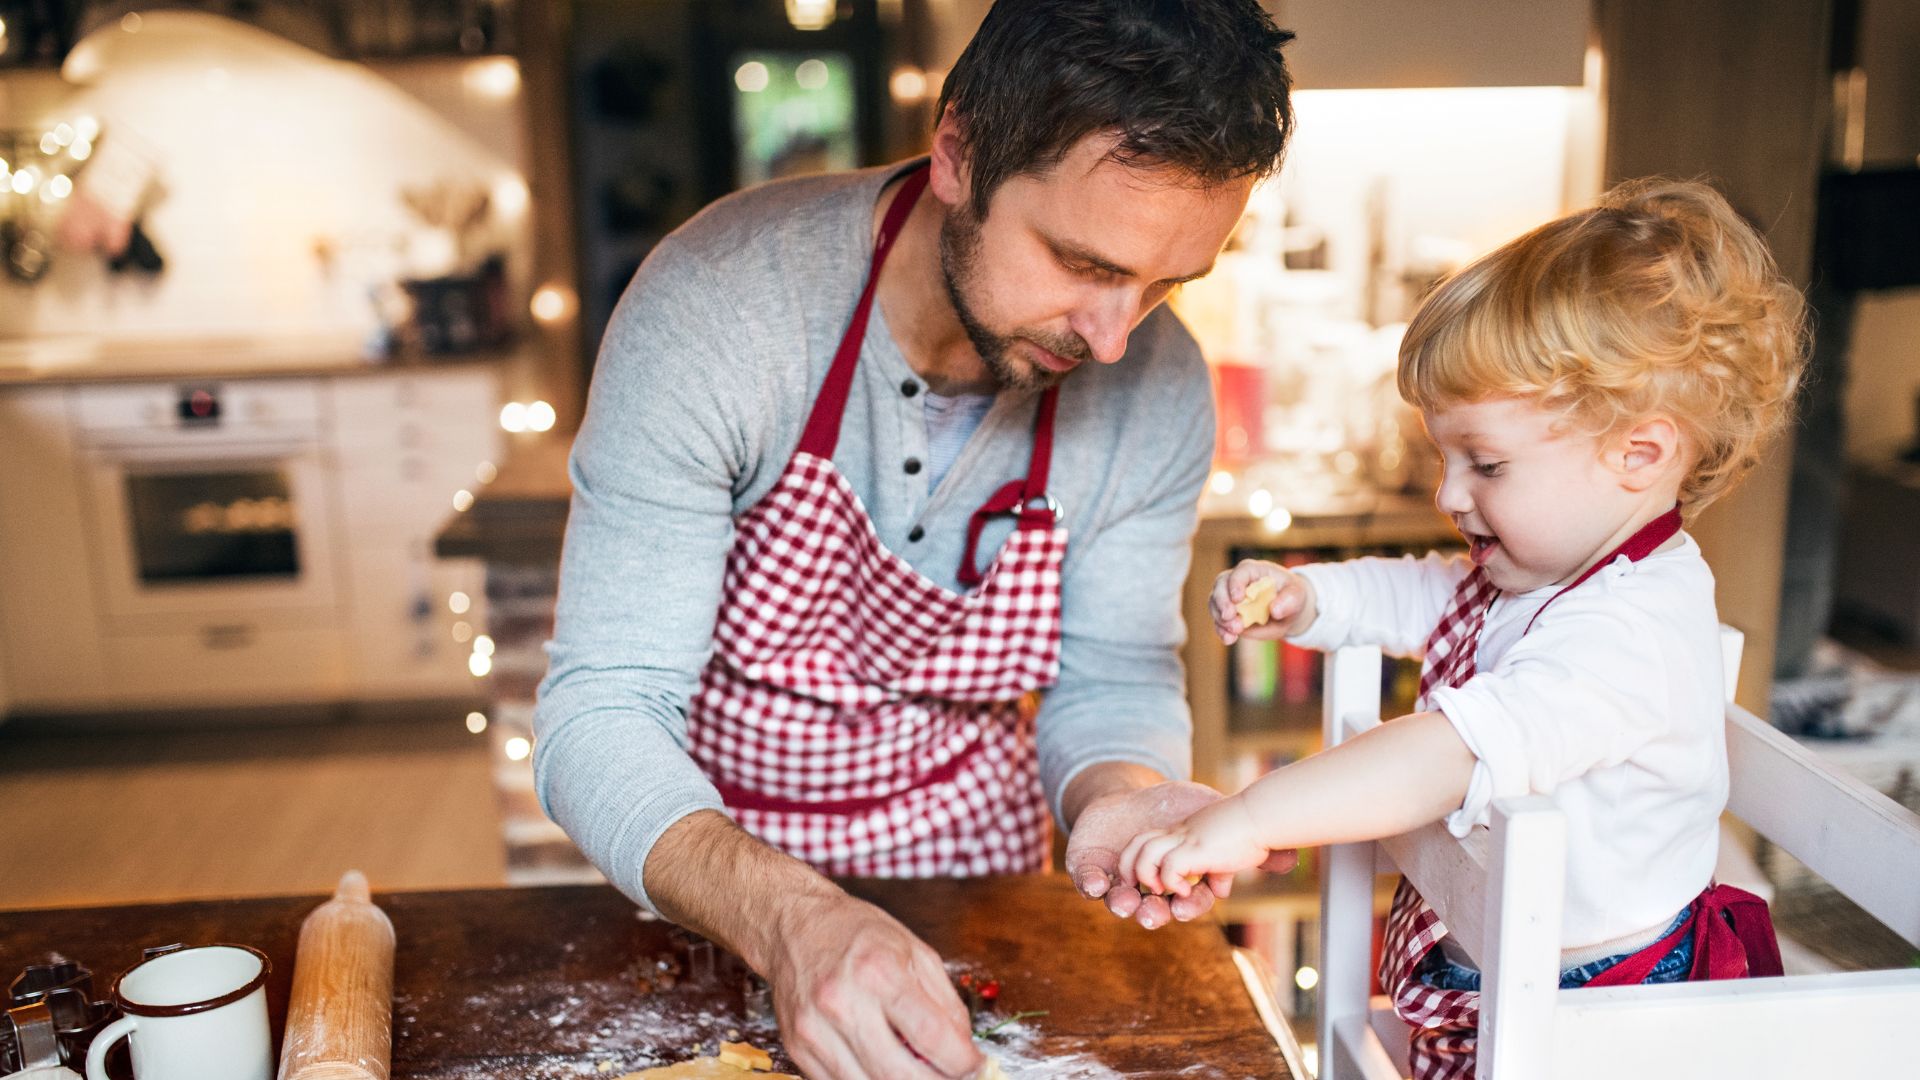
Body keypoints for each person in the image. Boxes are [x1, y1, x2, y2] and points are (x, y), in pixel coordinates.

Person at [534, 3, 1295, 1078]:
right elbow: (598, 709)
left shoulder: (1157, 388)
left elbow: (1112, 675)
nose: (1117, 335)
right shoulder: (722, 311)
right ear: (957, 153)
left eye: (1169, 283)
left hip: (979, 901)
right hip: (711, 904)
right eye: (1082, 261)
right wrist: (794, 921)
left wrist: (1122, 802)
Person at [1119, 178, 1805, 1079]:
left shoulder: (1631, 632)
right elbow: (1429, 598)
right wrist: (1310, 600)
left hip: (1602, 1020)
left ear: (1640, 454)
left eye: (1486, 464)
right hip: (1509, 977)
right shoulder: (1554, 567)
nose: (1449, 496)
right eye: (1446, 457)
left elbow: (1448, 755)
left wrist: (1250, 817)